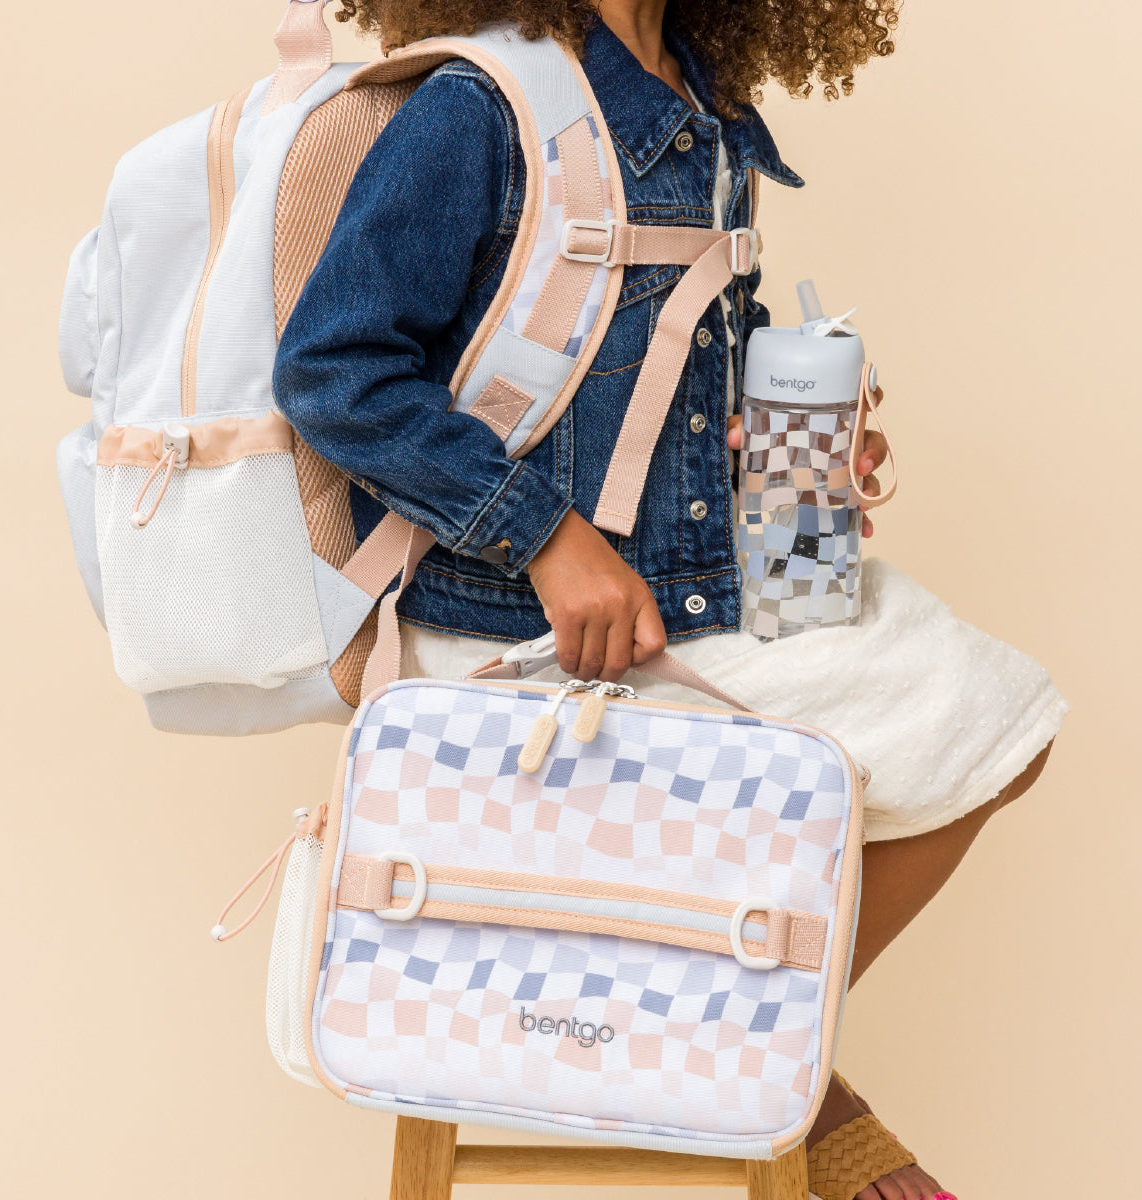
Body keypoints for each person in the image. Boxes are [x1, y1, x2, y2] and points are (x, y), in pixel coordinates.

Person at [274, 2, 1069, 1196]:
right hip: (514, 623)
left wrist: (794, 448)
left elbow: (660, 377)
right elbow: (331, 371)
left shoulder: (703, 100)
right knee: (981, 710)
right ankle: (772, 1066)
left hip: (686, 589)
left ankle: (733, 1040)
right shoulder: (481, 106)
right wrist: (542, 537)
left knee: (1001, 721)